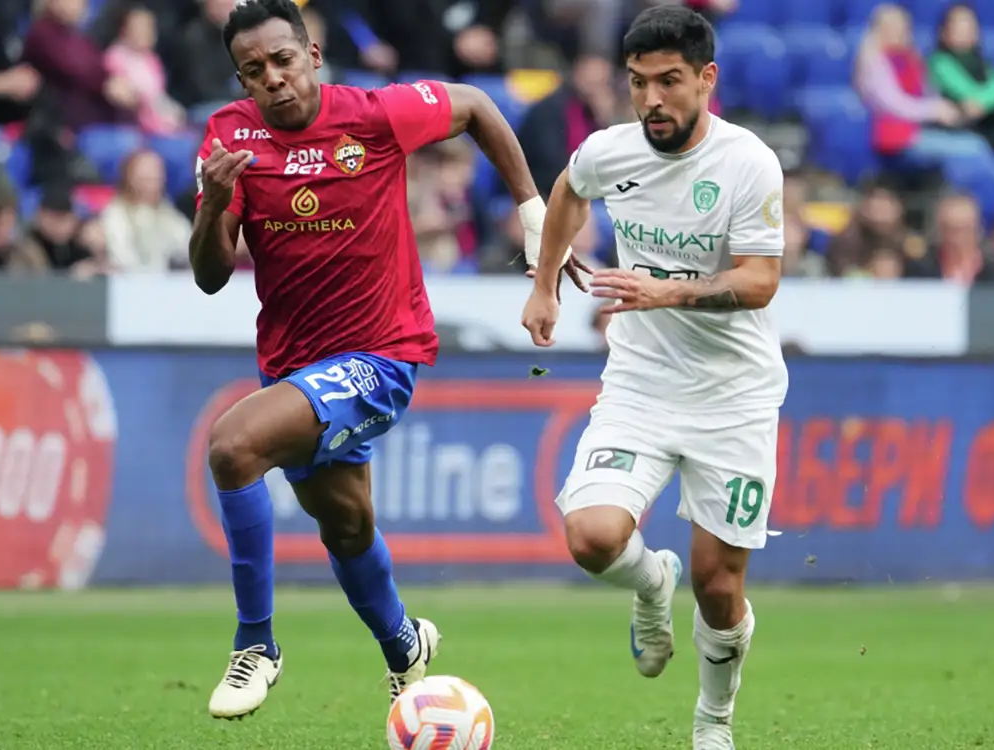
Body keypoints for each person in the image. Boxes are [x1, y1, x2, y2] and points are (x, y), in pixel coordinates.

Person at [188, 0, 588, 721]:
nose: (273, 77)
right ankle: (405, 643)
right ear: (241, 80)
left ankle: (256, 646)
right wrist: (212, 207)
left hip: (381, 354)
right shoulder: (228, 137)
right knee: (345, 525)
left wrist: (535, 218)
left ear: (312, 55)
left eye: (283, 59)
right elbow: (211, 276)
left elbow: (476, 106)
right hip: (293, 365)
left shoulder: (373, 115)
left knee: (232, 445)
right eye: (254, 70)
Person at [520, 7, 785, 750]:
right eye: (638, 83)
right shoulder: (611, 151)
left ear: (706, 79)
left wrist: (666, 290)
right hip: (642, 382)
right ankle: (650, 583)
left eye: (669, 81)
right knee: (591, 536)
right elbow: (568, 191)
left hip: (733, 395)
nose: (652, 99)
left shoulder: (748, 163)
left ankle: (713, 721)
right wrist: (544, 284)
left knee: (719, 586)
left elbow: (761, 280)